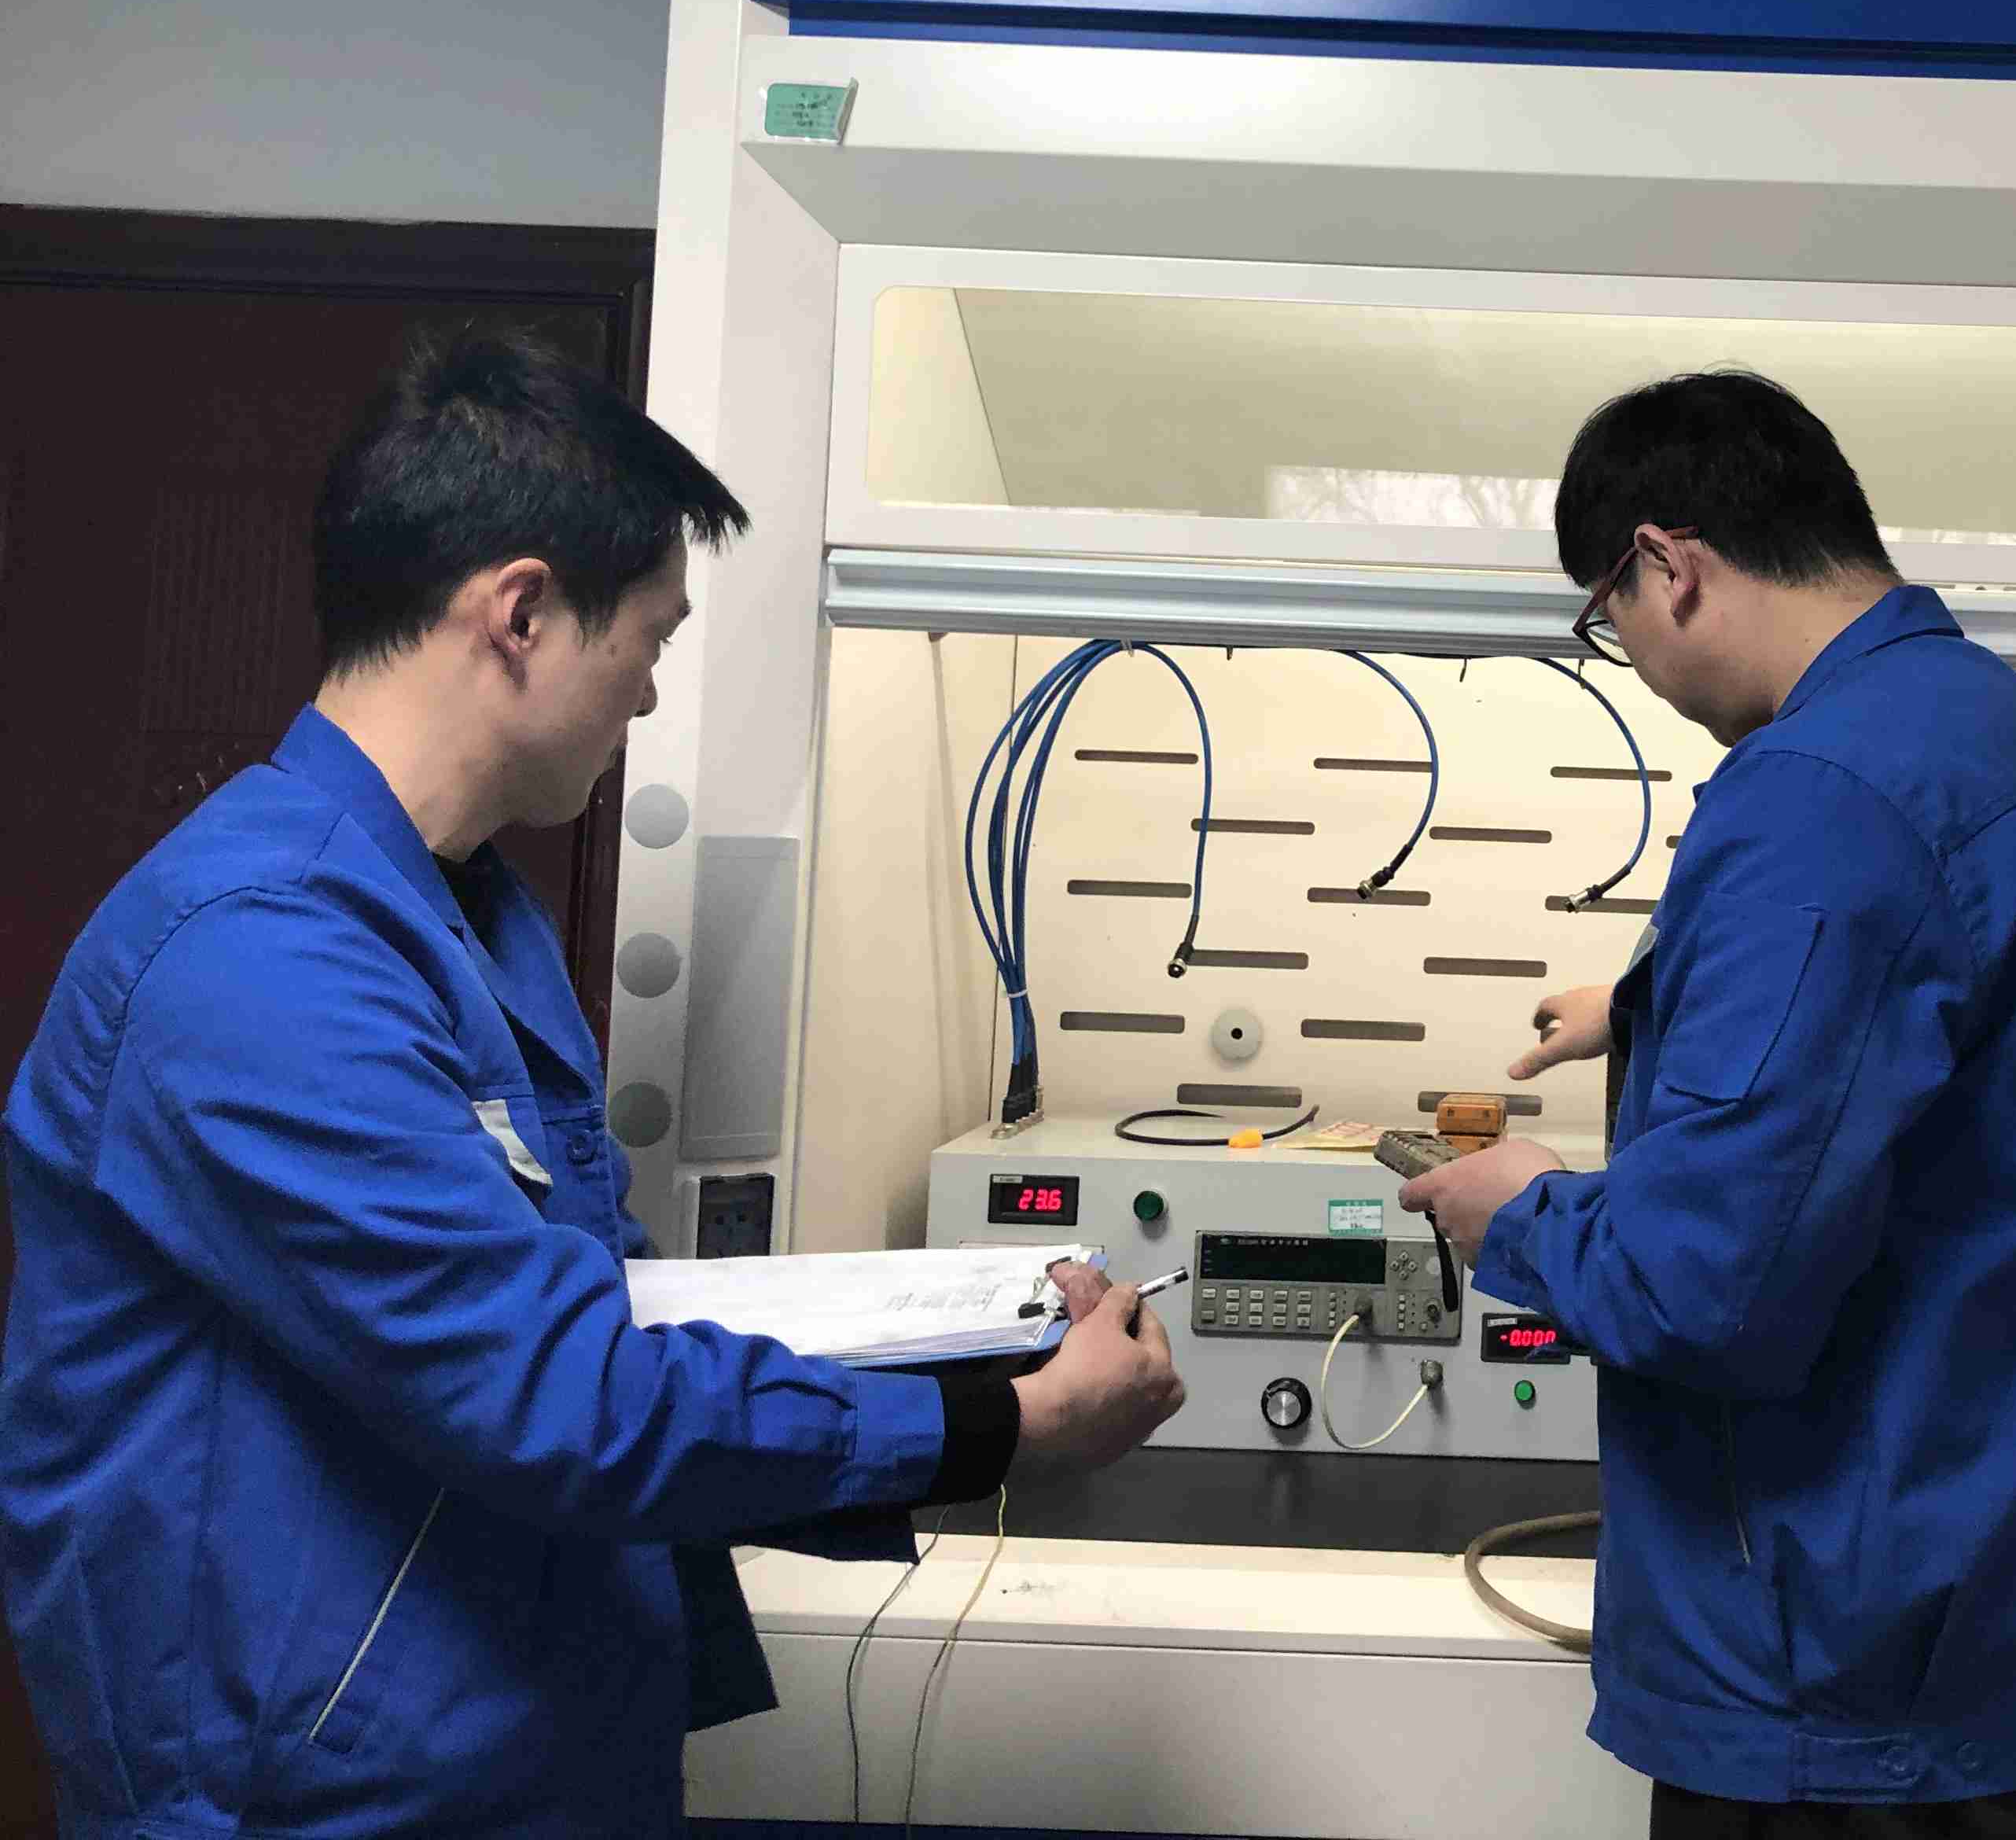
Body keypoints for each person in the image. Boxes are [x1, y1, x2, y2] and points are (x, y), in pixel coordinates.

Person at [0, 333, 1184, 1839]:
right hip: (321, 1798)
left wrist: (975, 1350)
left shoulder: (465, 919)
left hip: (523, 1744)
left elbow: (604, 1318)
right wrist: (1000, 1431)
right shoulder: (260, 952)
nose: (647, 693)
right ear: (522, 613)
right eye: (649, 638)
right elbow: (561, 1395)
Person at [1403, 370, 2016, 1839]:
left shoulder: (1820, 793)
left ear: (1668, 567)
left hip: (1860, 1699)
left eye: (1608, 619)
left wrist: (1521, 1214)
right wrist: (1654, 1004)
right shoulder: (1997, 735)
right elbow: (1949, 1053)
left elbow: (1700, 1285)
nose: (1635, 659)